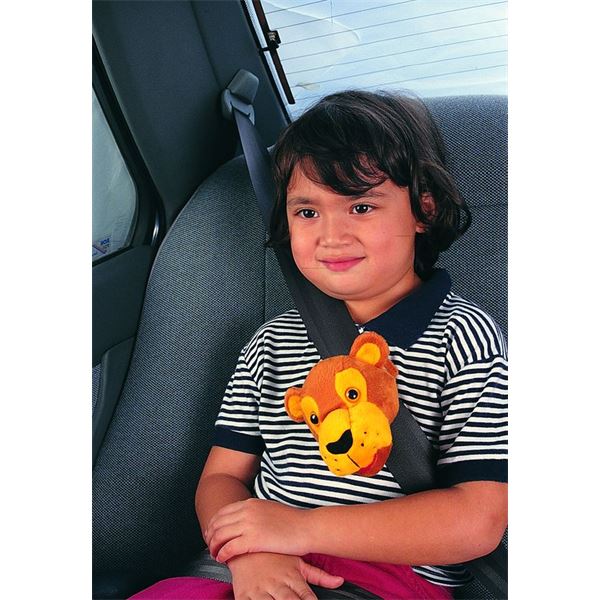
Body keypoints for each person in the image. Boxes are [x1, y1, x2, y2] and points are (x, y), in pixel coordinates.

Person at [131, 90, 508, 599]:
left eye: (361, 206)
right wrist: (250, 550)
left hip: (388, 579)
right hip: (250, 564)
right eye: (307, 212)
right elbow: (221, 477)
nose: (331, 235)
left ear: (423, 209)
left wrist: (300, 529)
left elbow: (478, 519)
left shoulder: (463, 337)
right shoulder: (271, 342)